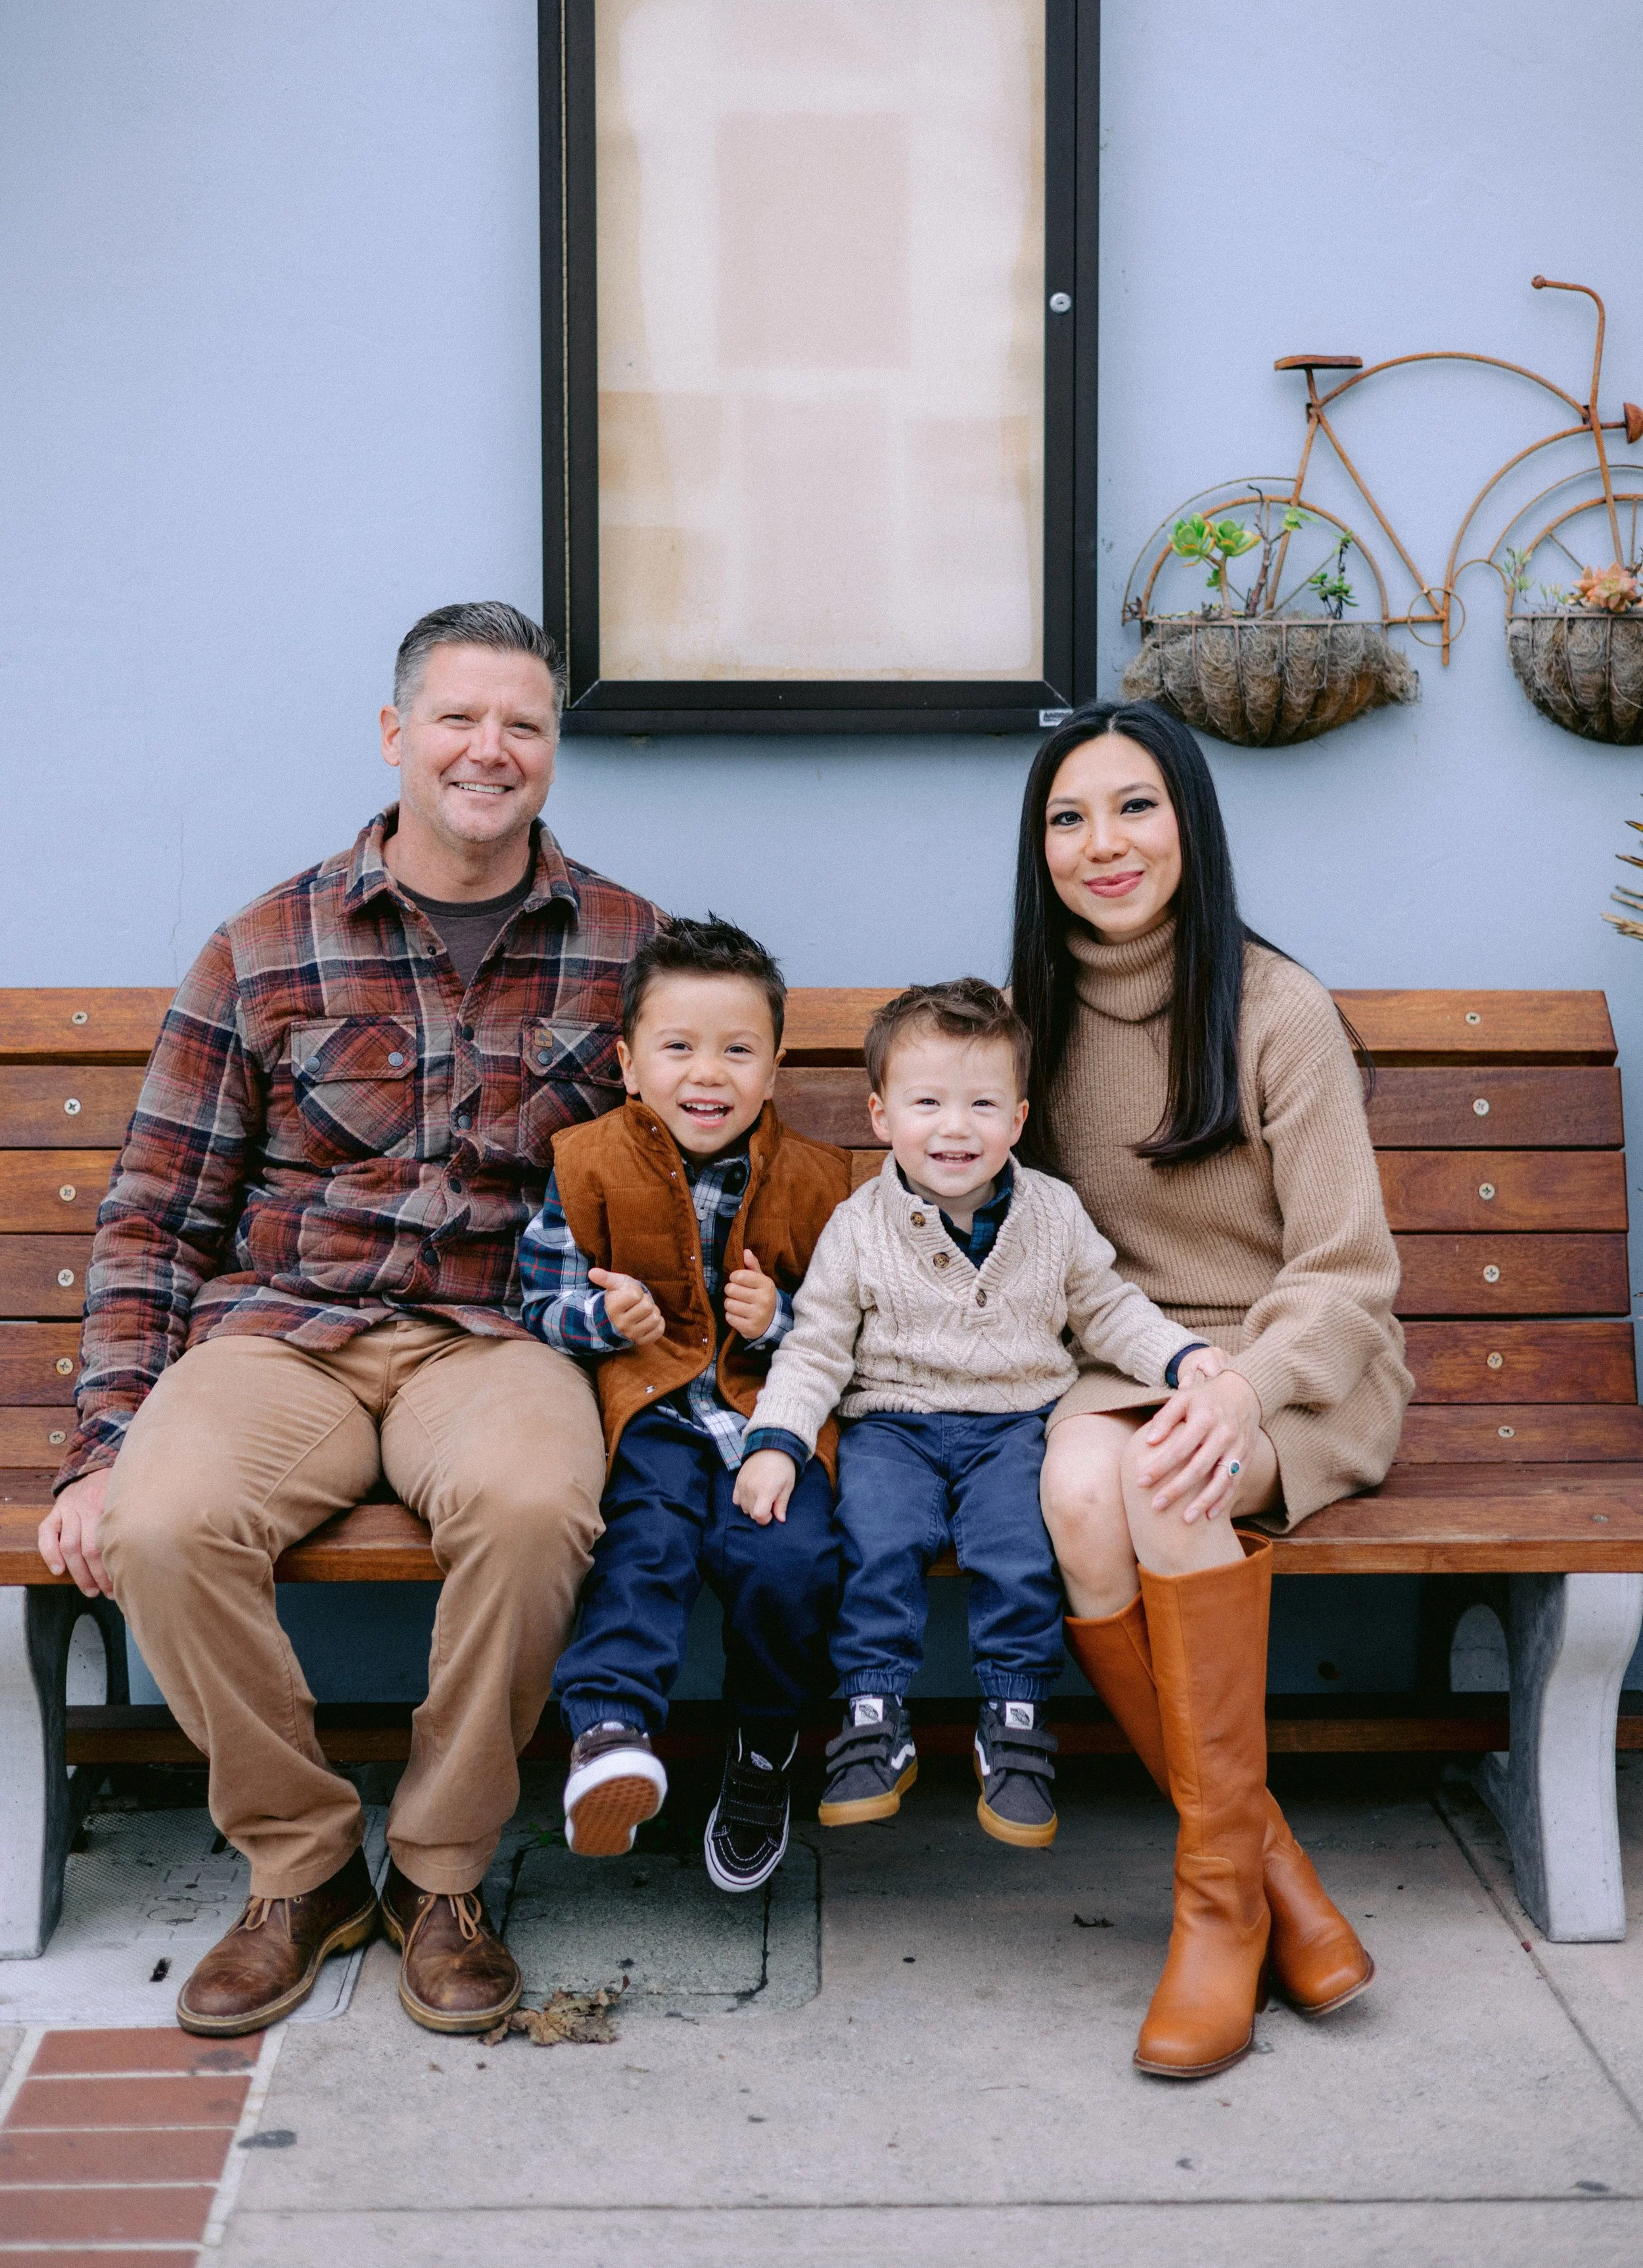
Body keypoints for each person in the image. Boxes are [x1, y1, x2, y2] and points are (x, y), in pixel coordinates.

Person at [37, 601, 662, 2040]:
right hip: (283, 1331)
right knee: (159, 1520)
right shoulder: (265, 945)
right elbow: (155, 1215)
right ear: (395, 735)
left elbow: (687, 1163)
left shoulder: (629, 944)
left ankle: (441, 1873)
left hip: (499, 1335)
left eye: (522, 724)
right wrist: (103, 1442)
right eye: (457, 718)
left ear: (551, 749)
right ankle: (302, 1866)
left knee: (534, 1508)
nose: (488, 749)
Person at [1011, 698, 1412, 2078]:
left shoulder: (1277, 1009)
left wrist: (1242, 1387)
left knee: (1164, 1480)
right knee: (1079, 1491)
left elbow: (1348, 1272)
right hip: (1126, 1356)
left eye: (1135, 806)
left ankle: (1213, 1912)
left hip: (1298, 1365)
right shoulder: (1032, 1017)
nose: (1103, 843)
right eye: (1069, 817)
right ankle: (1267, 1875)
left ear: (1190, 822)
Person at [742, 979, 1224, 1852]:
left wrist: (1180, 1357)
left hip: (1013, 1426)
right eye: (927, 1103)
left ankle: (1015, 1721)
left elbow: (1108, 1309)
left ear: (1019, 1118)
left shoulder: (1053, 1213)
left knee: (1017, 1553)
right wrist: (777, 1441)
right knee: (877, 1540)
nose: (955, 1127)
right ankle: (873, 1715)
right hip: (892, 1426)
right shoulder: (858, 1226)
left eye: (983, 1105)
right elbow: (814, 1347)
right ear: (882, 1115)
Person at [521, 917, 849, 1894]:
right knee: (644, 1543)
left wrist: (780, 1318)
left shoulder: (818, 1180)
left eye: (738, 1051)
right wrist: (601, 1318)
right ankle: (609, 1733)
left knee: (788, 1560)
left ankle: (763, 1751)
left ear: (775, 1070)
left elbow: (854, 1324)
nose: (708, 1073)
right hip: (654, 1413)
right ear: (628, 1066)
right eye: (678, 1047)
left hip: (772, 1424)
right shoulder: (585, 1163)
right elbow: (538, 1301)